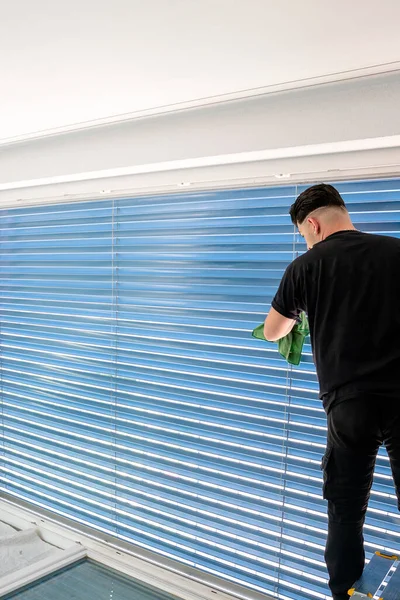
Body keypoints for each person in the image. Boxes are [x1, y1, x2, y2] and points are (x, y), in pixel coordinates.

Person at [263, 183, 400, 600]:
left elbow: (274, 331)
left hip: (348, 406)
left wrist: (305, 313)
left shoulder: (306, 267)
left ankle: (343, 592)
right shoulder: (396, 252)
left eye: (305, 236)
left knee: (345, 510)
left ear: (313, 223)